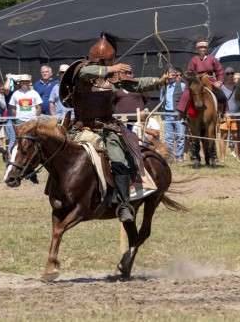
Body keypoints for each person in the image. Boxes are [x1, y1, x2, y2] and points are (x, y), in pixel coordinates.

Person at [63, 32, 166, 223]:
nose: (104, 66)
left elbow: (136, 84)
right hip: (80, 128)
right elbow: (87, 73)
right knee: (56, 153)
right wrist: (112, 68)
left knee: (120, 159)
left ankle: (124, 204)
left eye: (107, 63)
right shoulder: (82, 70)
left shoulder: (112, 77)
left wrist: (159, 81)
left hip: (107, 128)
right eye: (103, 63)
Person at [176, 38, 226, 116]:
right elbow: (189, 72)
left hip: (210, 80)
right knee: (187, 93)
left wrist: (219, 82)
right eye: (200, 47)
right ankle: (183, 114)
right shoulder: (193, 60)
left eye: (204, 47)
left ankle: (222, 114)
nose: (202, 49)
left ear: (207, 48)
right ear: (197, 49)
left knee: (222, 95)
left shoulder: (212, 59)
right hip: (197, 81)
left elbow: (220, 71)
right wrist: (191, 78)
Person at [161, 66, 186, 162]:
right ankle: (170, 157)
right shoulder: (164, 87)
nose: (171, 77)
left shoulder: (182, 86)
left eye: (172, 74)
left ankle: (179, 156)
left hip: (179, 114)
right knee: (169, 137)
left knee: (180, 136)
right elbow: (161, 99)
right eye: (169, 75)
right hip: (167, 114)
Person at [219, 66, 240, 162]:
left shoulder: (237, 87)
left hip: (236, 115)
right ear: (224, 75)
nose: (230, 75)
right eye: (228, 73)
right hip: (224, 115)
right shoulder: (221, 87)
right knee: (223, 136)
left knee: (236, 136)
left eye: (232, 73)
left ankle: (238, 157)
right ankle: (222, 158)